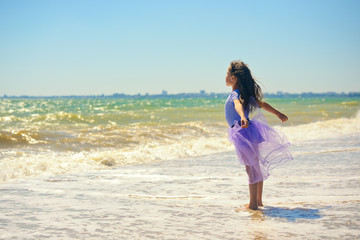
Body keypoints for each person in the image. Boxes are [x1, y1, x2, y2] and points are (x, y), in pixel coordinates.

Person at [225, 60, 292, 210]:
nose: (225, 76)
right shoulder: (245, 94)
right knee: (255, 166)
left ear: (233, 78)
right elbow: (263, 104)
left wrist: (242, 117)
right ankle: (259, 201)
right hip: (250, 131)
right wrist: (278, 113)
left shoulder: (235, 94)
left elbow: (238, 106)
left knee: (251, 168)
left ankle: (253, 204)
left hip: (242, 131)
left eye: (227, 73)